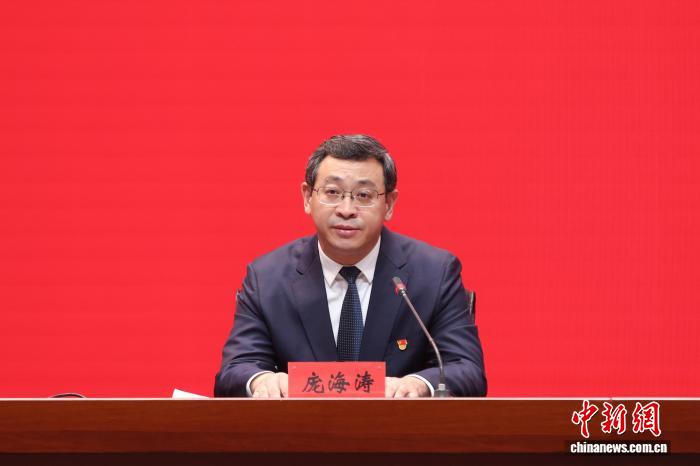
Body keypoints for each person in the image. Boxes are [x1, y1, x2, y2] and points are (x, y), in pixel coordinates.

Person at [214, 135, 486, 398]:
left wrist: (419, 384)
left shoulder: (434, 273)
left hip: (397, 428)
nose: (346, 209)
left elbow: (466, 368)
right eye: (332, 192)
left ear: (389, 204)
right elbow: (235, 369)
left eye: (364, 195)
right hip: (300, 428)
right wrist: (263, 380)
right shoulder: (267, 277)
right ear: (307, 197)